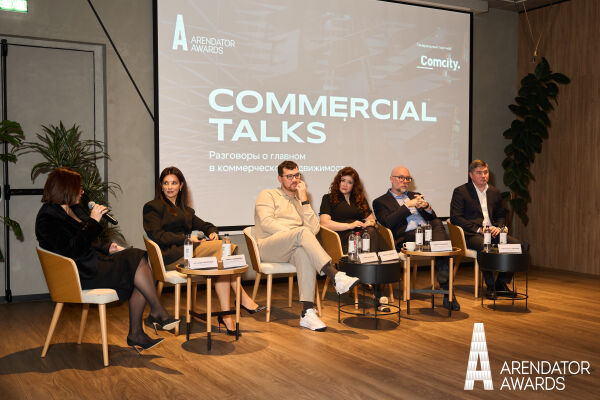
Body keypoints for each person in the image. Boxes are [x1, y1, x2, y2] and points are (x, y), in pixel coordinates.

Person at [35, 167, 177, 353]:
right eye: (79, 188)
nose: (82, 191)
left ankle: (144, 326)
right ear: (66, 188)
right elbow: (72, 249)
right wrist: (93, 221)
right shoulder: (47, 217)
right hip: (78, 273)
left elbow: (88, 240)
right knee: (136, 262)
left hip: (91, 262)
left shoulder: (73, 208)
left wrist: (107, 247)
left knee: (138, 262)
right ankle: (153, 317)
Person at [143, 166, 265, 335]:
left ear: (181, 185)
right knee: (225, 249)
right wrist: (187, 239)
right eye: (166, 183)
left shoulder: (186, 211)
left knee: (223, 257)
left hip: (187, 253)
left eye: (174, 183)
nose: (169, 187)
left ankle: (227, 315)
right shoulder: (152, 207)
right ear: (161, 186)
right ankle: (240, 301)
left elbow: (206, 225)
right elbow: (158, 236)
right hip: (169, 257)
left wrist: (212, 232)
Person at [254, 160, 360, 331]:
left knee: (304, 253)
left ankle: (307, 312)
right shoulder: (268, 195)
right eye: (289, 176)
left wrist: (304, 200)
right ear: (280, 178)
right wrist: (295, 233)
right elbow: (266, 223)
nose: (294, 180)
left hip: (293, 247)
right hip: (269, 246)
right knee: (302, 233)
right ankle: (335, 276)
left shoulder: (300, 200)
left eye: (297, 175)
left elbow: (314, 229)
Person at [373, 166, 460, 311]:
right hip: (407, 238)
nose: (405, 181)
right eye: (401, 177)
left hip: (429, 234)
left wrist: (426, 207)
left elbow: (432, 217)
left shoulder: (416, 195)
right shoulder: (380, 202)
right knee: (441, 246)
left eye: (407, 178)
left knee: (437, 224)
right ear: (391, 179)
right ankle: (447, 290)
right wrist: (407, 206)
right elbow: (388, 222)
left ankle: (447, 288)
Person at [319, 166, 390, 310]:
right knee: (376, 245)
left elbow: (372, 219)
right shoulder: (328, 199)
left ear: (354, 185)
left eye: (349, 182)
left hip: (363, 238)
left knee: (371, 231)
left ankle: (374, 284)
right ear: (338, 182)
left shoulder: (359, 200)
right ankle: (379, 290)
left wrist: (368, 223)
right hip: (343, 240)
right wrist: (349, 226)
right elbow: (324, 223)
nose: (345, 184)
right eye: (343, 180)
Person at [450, 160, 521, 297]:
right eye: (479, 173)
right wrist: (479, 229)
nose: (483, 176)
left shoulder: (494, 192)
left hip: (493, 233)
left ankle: (501, 283)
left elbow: (501, 216)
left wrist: (498, 227)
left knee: (517, 245)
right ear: (471, 175)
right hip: (472, 234)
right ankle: (490, 286)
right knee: (485, 246)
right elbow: (456, 218)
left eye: (485, 172)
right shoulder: (461, 191)